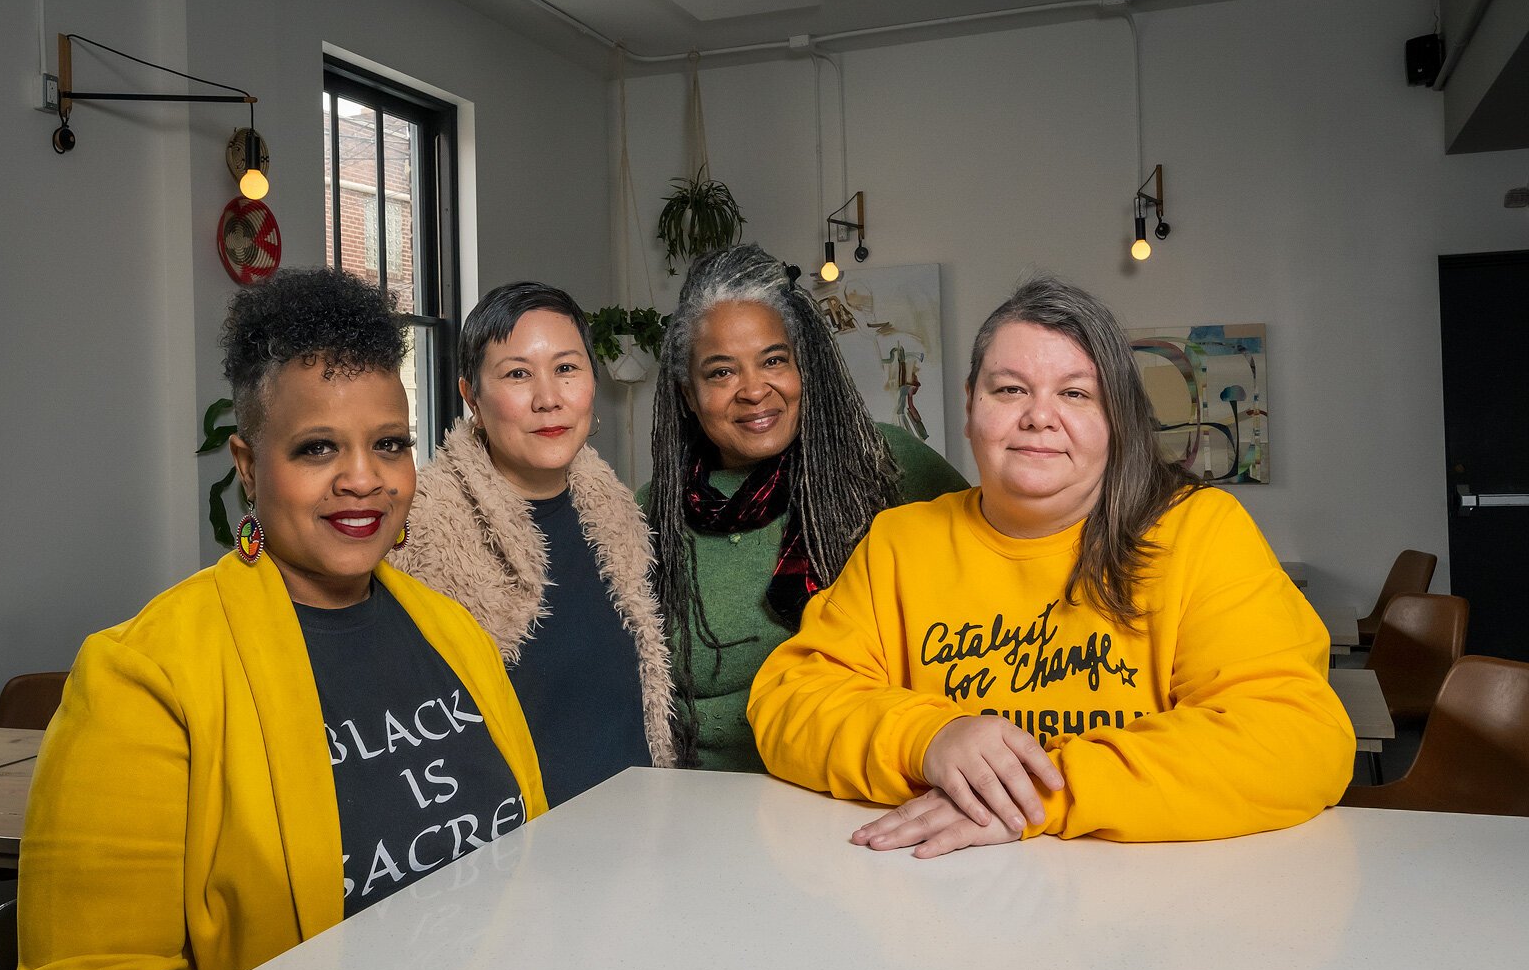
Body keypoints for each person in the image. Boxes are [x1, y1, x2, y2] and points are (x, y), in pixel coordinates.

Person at [0, 269, 545, 970]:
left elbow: (523, 865)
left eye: (389, 443)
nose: (363, 477)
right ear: (249, 464)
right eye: (318, 447)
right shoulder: (143, 676)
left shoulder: (456, 634)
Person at [748, 275, 1354, 855]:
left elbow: (1299, 740)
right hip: (946, 895)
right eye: (1010, 389)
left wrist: (1038, 794)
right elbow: (789, 700)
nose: (1039, 416)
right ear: (969, 406)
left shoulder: (1200, 531)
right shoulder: (900, 542)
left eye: (1075, 393)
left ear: (1115, 418)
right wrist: (927, 738)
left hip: (1144, 905)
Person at [643, 244, 966, 771]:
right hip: (700, 808)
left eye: (773, 360)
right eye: (721, 372)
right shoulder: (647, 514)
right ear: (688, 393)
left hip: (866, 795)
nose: (754, 390)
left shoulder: (888, 466)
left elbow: (998, 573)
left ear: (802, 366)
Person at [390, 282, 678, 806]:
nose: (549, 399)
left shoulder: (617, 511)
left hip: (641, 836)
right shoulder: (418, 531)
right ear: (471, 397)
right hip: (509, 860)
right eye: (518, 374)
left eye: (566, 368)